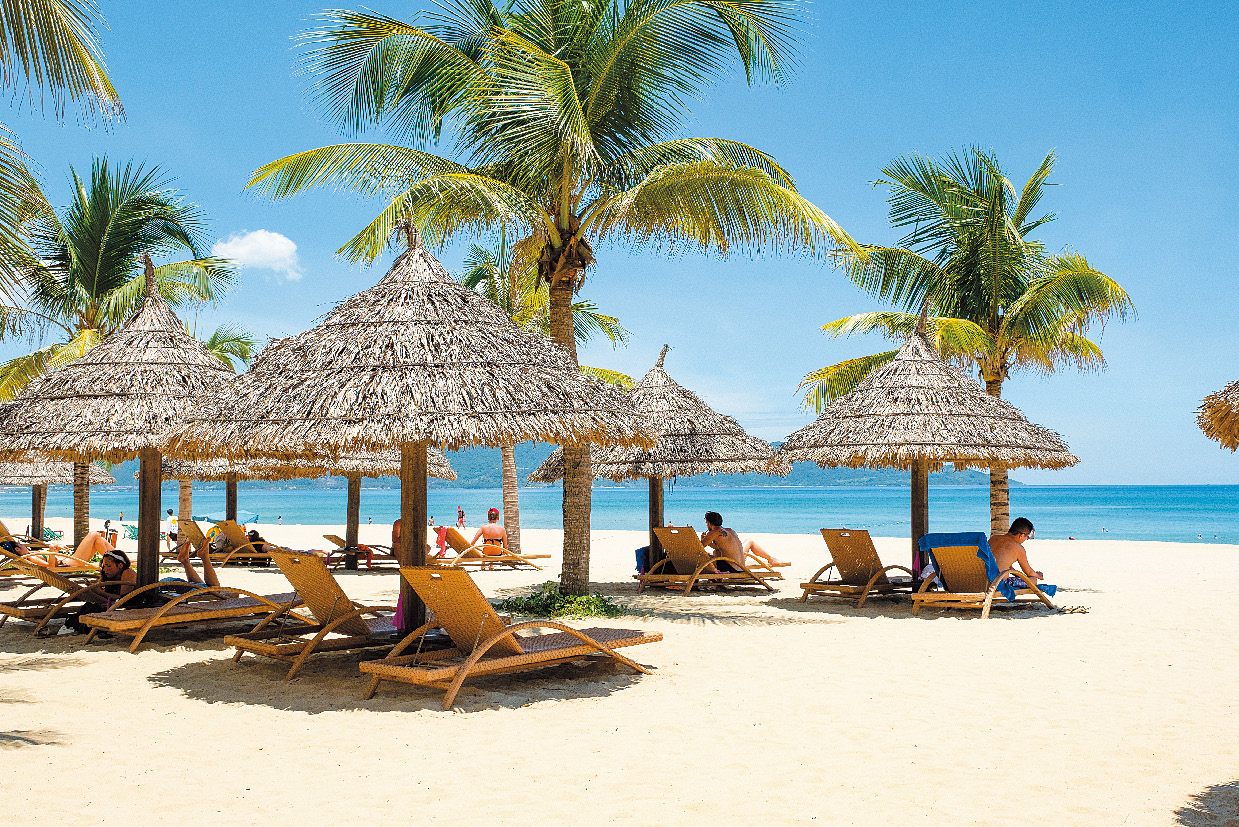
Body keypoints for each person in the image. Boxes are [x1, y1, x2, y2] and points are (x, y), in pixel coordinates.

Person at [62, 549, 137, 634]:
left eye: (108, 566)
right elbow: (101, 591)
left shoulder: (128, 573)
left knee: (93, 609)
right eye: (103, 566)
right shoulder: (108, 574)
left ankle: (75, 627)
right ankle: (72, 626)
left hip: (125, 606)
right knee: (88, 607)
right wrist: (93, 589)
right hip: (111, 605)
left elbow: (124, 599)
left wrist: (100, 592)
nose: (105, 569)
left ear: (120, 565)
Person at [699, 511, 788, 570]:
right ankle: (771, 559)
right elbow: (723, 547)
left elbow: (699, 548)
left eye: (706, 522)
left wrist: (703, 539)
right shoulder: (730, 530)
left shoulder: (714, 532)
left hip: (732, 567)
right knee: (749, 541)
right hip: (740, 564)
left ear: (709, 522)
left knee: (706, 555)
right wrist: (709, 543)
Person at [989, 517, 1044, 582]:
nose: (1026, 539)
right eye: (1027, 537)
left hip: (983, 579)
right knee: (1033, 580)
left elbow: (1002, 564)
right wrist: (1038, 575)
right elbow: (1029, 572)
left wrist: (1019, 575)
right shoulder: (1018, 548)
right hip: (998, 583)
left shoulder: (993, 538)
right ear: (1021, 535)